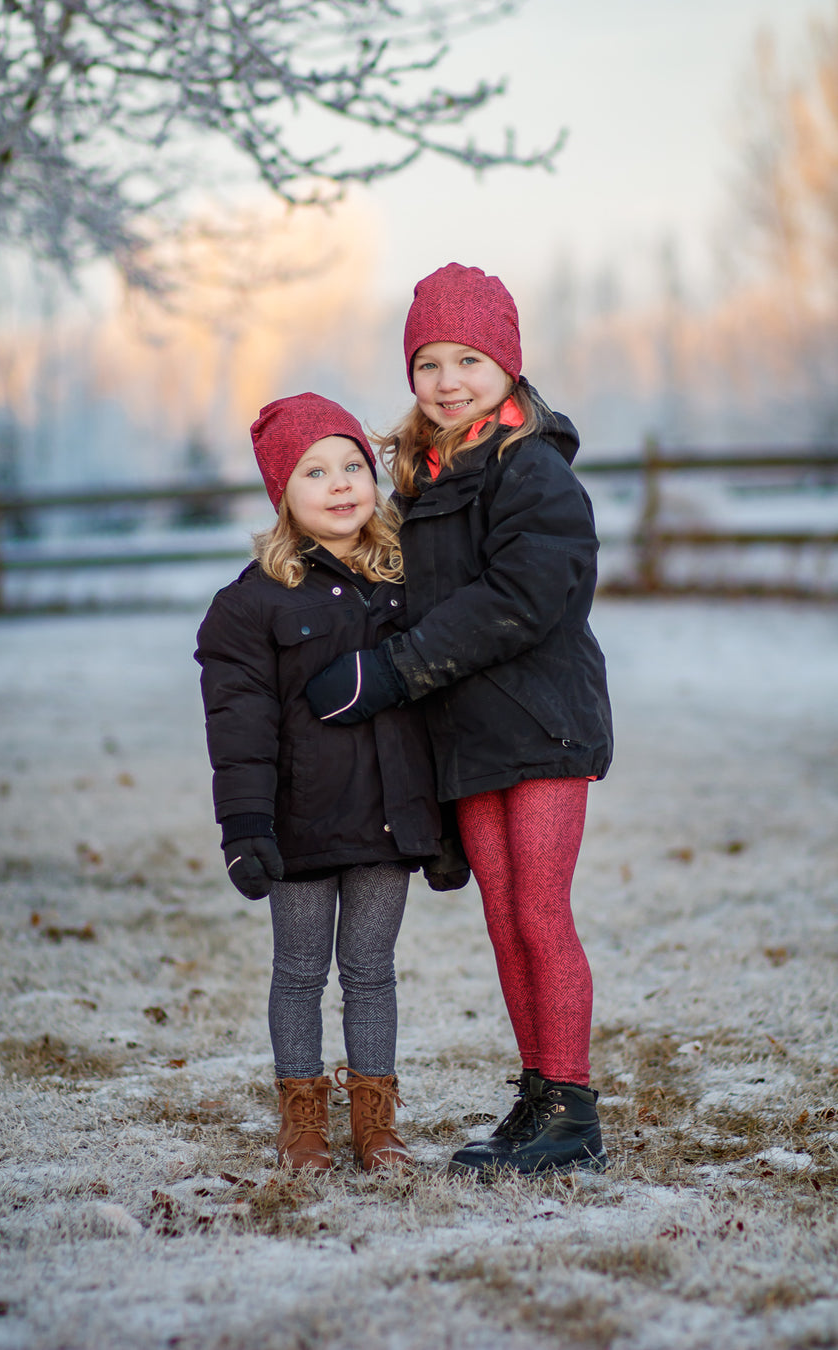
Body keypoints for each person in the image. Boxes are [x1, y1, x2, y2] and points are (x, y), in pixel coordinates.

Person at [306, 264, 614, 1179]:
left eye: (469, 359)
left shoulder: (535, 474)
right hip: (470, 737)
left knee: (542, 909)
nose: (447, 380)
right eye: (428, 361)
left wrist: (396, 671)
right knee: (504, 917)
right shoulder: (422, 479)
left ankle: (574, 1111)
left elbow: (521, 598)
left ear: (508, 366)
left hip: (544, 724)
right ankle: (537, 1098)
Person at [194, 393, 461, 1174]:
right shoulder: (252, 606)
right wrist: (245, 828)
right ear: (284, 493)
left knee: (373, 972)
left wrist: (444, 822)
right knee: (301, 972)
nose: (341, 483)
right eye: (316, 471)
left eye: (354, 465)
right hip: (301, 827)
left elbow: (442, 705)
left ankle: (376, 1125)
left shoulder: (409, 584)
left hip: (387, 823)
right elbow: (237, 730)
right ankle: (302, 1121)